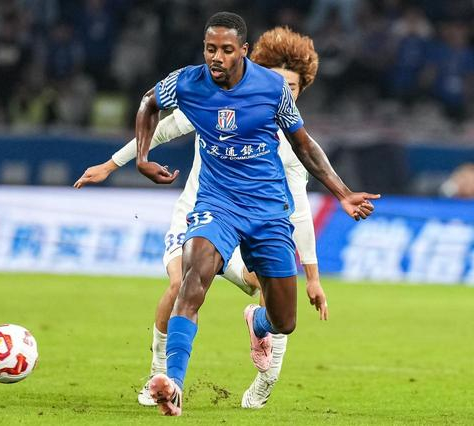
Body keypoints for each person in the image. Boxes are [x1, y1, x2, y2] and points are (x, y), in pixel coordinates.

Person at [135, 12, 378, 416]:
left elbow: (303, 144)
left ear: (244, 51)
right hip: (216, 205)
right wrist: (142, 157)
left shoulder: (271, 88)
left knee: (284, 321)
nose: (216, 57)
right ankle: (172, 384)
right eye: (210, 49)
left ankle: (258, 323)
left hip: (267, 212)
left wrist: (343, 193)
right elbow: (149, 103)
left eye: (226, 50)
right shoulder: (187, 82)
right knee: (192, 281)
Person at [74, 26, 327, 410]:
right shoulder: (224, 102)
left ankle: (265, 375)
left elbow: (300, 211)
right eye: (279, 82)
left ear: (300, 91)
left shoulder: (294, 147)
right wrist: (112, 164)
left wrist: (312, 276)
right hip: (202, 213)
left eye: (291, 87)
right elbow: (163, 128)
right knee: (181, 284)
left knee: (270, 293)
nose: (284, 91)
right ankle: (160, 376)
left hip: (252, 222)